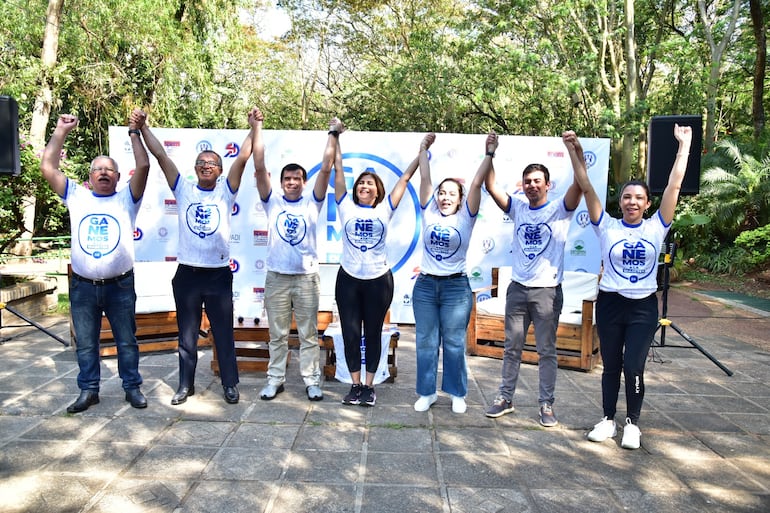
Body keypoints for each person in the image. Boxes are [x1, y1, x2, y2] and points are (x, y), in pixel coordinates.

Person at [565, 124, 692, 449]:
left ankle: (632, 424)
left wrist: (684, 147)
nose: (632, 202)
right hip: (610, 304)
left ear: (647, 203)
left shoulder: (655, 227)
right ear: (619, 202)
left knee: (634, 364)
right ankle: (608, 419)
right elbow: (587, 187)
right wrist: (572, 151)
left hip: (642, 307)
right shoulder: (605, 226)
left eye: (638, 198)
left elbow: (674, 186)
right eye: (626, 197)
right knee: (611, 365)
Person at [137, 108, 256, 405]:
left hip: (217, 275)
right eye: (202, 163)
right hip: (187, 275)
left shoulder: (226, 191)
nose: (206, 166)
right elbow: (162, 157)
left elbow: (242, 158)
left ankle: (230, 384)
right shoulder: (184, 189)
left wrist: (255, 127)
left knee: (223, 333)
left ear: (219, 170)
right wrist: (144, 128)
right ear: (195, 168)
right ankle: (184, 385)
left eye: (212, 163)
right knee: (187, 336)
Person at [40, 111, 151, 413]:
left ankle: (132, 387)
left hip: (120, 286)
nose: (103, 173)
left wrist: (134, 131)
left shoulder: (128, 198)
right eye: (98, 170)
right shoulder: (76, 196)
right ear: (90, 177)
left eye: (109, 170)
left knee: (127, 342)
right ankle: (89, 391)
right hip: (83, 287)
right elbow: (48, 166)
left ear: (117, 176)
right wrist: (61, 130)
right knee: (86, 344)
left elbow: (143, 164)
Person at [483, 135, 583, 426]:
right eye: (527, 181)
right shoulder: (518, 207)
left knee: (546, 351)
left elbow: (580, 184)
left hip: (547, 292)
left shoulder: (560, 209)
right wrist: (490, 152)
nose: (532, 185)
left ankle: (546, 404)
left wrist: (572, 150)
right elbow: (490, 186)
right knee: (511, 347)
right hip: (518, 289)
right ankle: (505, 398)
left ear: (548, 185)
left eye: (538, 180)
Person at [332, 122, 420, 407]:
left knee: (372, 333)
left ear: (378, 190)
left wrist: (422, 152)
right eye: (361, 183)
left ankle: (370, 387)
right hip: (348, 279)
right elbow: (337, 168)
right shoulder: (345, 205)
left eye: (370, 183)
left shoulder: (385, 208)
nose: (364, 186)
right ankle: (355, 385)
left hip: (378, 280)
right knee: (349, 333)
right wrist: (336, 137)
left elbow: (405, 179)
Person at [252, 113, 335, 401]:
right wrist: (257, 127)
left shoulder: (313, 202)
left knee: (309, 335)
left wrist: (333, 134)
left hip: (306, 278)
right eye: (287, 178)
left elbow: (326, 169)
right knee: (277, 335)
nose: (291, 182)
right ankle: (275, 379)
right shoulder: (271, 201)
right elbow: (259, 166)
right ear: (281, 182)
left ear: (303, 181)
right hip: (276, 277)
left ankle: (312, 381)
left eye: (297, 178)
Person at [412, 132, 495, 414]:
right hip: (425, 286)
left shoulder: (465, 217)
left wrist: (489, 153)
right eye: (442, 192)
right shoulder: (429, 212)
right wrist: (423, 149)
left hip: (455, 288)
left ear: (460, 200)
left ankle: (457, 393)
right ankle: (426, 392)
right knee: (425, 341)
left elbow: (476, 183)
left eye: (451, 194)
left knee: (454, 342)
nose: (445, 197)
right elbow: (424, 178)